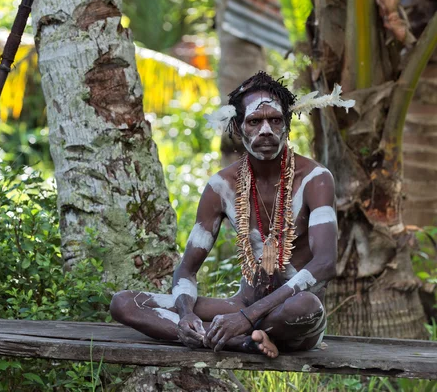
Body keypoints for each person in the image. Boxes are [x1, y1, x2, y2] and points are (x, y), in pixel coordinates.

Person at [110, 71, 353, 358]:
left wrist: (248, 317)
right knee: (124, 303)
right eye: (254, 121)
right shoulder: (221, 186)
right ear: (237, 128)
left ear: (287, 125)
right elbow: (187, 269)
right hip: (239, 309)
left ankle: (234, 333)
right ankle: (243, 342)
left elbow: (325, 263)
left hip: (291, 317)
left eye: (275, 120)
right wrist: (186, 314)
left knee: (306, 306)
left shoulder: (315, 178)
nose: (265, 131)